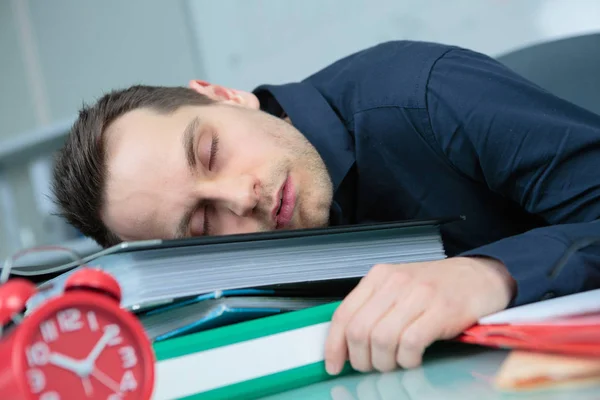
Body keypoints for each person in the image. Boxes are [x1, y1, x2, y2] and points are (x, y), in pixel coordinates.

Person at [51, 40, 600, 375]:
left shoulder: (423, 93)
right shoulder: (235, 275)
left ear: (223, 94)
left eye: (210, 152)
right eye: (201, 223)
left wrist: (490, 275)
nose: (242, 198)